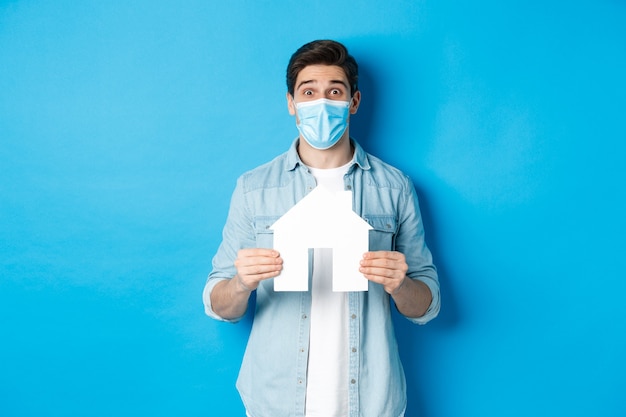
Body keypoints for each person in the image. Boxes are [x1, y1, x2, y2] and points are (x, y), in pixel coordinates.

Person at [203, 39, 440, 417]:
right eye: (308, 92)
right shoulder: (253, 188)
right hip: (275, 400)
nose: (321, 102)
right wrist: (240, 283)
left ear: (354, 102)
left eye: (334, 91)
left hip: (369, 400)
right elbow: (218, 304)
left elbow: (426, 306)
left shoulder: (394, 187)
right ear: (291, 104)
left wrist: (401, 284)